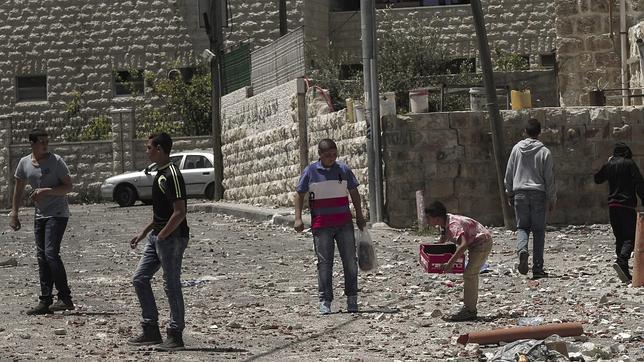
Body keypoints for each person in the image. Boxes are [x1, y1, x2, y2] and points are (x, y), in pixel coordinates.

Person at [128, 133, 189, 351]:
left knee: (171, 285)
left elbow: (179, 212)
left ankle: (175, 334)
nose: (147, 151)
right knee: (140, 278)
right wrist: (145, 233)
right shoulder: (159, 174)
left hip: (172, 238)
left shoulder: (172, 174)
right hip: (158, 237)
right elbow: (161, 212)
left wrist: (163, 235)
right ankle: (150, 329)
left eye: (149, 147)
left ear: (160, 149)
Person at [294, 139, 366, 315]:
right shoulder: (310, 171)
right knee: (324, 264)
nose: (331, 158)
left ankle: (352, 298)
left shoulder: (343, 170)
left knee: (350, 262)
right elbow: (299, 193)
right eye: (327, 155)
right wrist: (298, 218)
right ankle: (325, 300)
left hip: (344, 223)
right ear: (319, 154)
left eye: (334, 155)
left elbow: (354, 193)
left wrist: (360, 215)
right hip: (321, 225)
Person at [9, 128, 75, 315]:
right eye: (41, 141)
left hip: (58, 214)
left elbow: (68, 186)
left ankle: (65, 298)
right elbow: (18, 189)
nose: (45, 145)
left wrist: (46, 191)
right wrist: (14, 213)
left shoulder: (56, 162)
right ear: (32, 144)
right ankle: (45, 300)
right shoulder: (24, 164)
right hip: (40, 215)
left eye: (47, 141)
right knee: (42, 257)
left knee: (51, 253)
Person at [504, 118, 556, 279]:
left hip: (520, 193)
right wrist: (552, 198)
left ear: (524, 132)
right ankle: (538, 268)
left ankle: (522, 250)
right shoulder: (544, 152)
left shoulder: (516, 150)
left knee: (522, 227)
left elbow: (509, 174)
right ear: (539, 133)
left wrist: (509, 192)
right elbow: (549, 178)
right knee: (539, 231)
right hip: (538, 194)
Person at [425, 201, 493, 322]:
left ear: (437, 218)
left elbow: (463, 245)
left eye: (428, 218)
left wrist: (450, 264)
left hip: (482, 243)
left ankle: (470, 311)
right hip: (474, 243)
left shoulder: (453, 225)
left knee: (470, 274)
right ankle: (469, 308)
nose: (427, 220)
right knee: (469, 274)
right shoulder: (444, 223)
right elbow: (443, 236)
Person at [594, 142, 644, 283]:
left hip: (613, 206)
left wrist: (607, 163)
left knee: (620, 237)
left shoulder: (610, 164)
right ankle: (622, 261)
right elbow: (639, 183)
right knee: (630, 237)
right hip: (627, 205)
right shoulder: (629, 164)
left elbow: (597, 179)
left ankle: (623, 270)